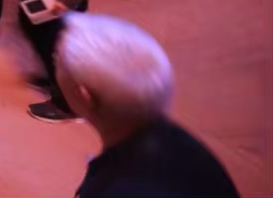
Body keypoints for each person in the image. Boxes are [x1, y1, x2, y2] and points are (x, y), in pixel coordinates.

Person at [57, 13, 238, 196]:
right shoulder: (183, 148)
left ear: (84, 97)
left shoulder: (117, 188)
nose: (53, 60)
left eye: (57, 59)